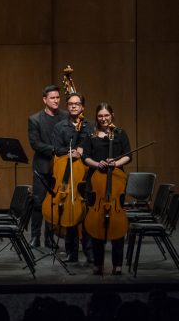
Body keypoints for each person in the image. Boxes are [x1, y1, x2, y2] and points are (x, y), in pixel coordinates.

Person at [83, 103, 131, 275]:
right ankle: (98, 263)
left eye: (106, 115)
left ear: (112, 115)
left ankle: (117, 264)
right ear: (97, 117)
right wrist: (98, 164)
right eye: (100, 116)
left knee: (117, 223)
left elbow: (128, 155)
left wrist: (115, 163)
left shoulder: (120, 134)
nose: (103, 119)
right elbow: (85, 157)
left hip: (116, 182)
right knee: (96, 223)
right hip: (95, 184)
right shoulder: (91, 136)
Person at [51, 93, 94, 264]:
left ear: (83, 107)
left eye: (77, 104)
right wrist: (69, 152)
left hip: (87, 175)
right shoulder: (60, 127)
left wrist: (83, 149)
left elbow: (94, 146)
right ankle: (71, 252)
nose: (73, 106)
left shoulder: (90, 126)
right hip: (69, 174)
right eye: (70, 104)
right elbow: (56, 148)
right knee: (70, 212)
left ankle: (90, 251)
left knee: (88, 213)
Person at [28, 85, 68, 249]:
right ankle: (35, 236)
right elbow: (35, 143)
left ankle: (49, 238)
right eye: (52, 98)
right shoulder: (35, 119)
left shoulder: (65, 116)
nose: (56, 100)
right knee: (38, 202)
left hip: (61, 168)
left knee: (54, 203)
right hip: (43, 166)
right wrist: (55, 150)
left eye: (58, 97)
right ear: (45, 99)